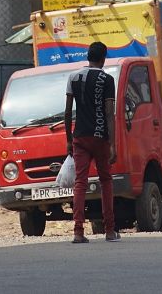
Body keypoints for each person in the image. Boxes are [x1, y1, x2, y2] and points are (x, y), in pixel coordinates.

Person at [64, 41, 120, 243]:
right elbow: (109, 113)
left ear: (88, 56)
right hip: (99, 137)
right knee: (105, 181)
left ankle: (78, 232)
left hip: (79, 137)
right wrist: (112, 144)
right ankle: (110, 230)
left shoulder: (73, 77)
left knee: (80, 182)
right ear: (103, 58)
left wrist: (68, 140)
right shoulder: (107, 79)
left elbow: (68, 111)